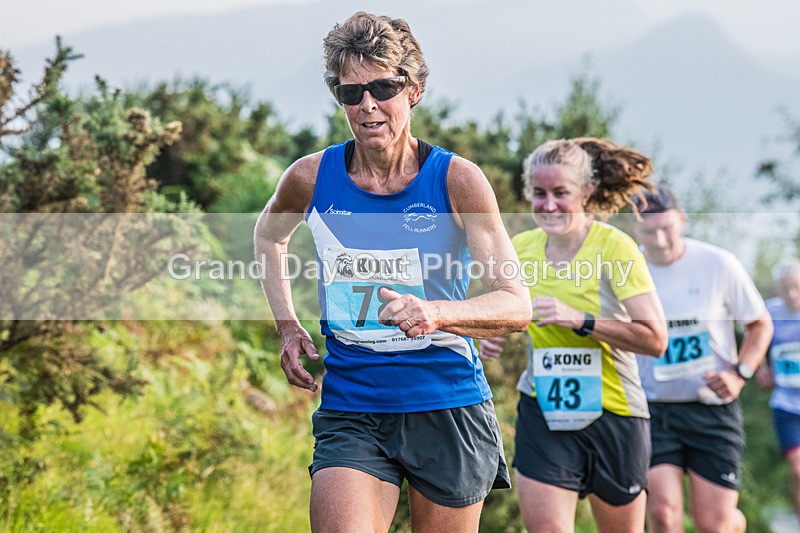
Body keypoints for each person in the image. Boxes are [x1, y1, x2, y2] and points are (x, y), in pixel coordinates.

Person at [253, 11, 531, 532]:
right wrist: (286, 325)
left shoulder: (457, 180)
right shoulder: (310, 178)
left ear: (414, 90)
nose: (368, 105)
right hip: (353, 403)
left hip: (446, 401)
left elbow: (516, 304)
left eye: (383, 87)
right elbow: (269, 236)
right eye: (351, 92)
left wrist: (436, 313)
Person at [481, 138, 668, 532]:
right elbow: (501, 312)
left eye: (560, 193)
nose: (548, 205)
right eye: (539, 193)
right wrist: (492, 334)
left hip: (615, 412)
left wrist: (581, 320)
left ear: (586, 192)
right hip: (544, 409)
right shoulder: (520, 249)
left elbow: (654, 339)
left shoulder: (615, 248)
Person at [631, 185, 774, 533]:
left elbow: (759, 324)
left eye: (667, 228)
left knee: (715, 524)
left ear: (682, 219)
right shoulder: (627, 267)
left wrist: (740, 374)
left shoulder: (719, 263)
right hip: (653, 409)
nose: (659, 240)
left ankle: (733, 524)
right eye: (649, 232)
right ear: (636, 229)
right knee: (663, 514)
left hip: (711, 408)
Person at [756, 258, 800, 519]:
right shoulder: (769, 311)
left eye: (796, 287)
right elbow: (754, 336)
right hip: (786, 404)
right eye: (785, 288)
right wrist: (761, 367)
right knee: (798, 470)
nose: (792, 294)